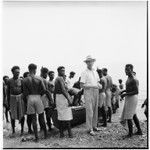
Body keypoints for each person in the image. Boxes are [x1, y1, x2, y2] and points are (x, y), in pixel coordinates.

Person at [23, 64, 47, 142]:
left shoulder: (25, 80)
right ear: (35, 70)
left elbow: (25, 93)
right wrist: (39, 94)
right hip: (38, 97)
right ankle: (46, 135)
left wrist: (26, 101)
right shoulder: (39, 78)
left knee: (33, 118)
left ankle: (36, 138)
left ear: (29, 69)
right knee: (41, 116)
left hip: (30, 97)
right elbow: (44, 90)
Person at [80, 55, 102, 136]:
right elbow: (82, 85)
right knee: (90, 111)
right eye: (88, 61)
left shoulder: (95, 72)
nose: (90, 63)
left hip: (96, 91)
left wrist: (100, 85)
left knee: (95, 109)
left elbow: (98, 82)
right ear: (86, 63)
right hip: (88, 92)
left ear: (93, 62)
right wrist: (93, 86)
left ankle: (94, 126)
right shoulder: (84, 72)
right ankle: (90, 129)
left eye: (91, 61)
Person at [120, 64, 142, 138]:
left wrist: (125, 94)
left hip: (132, 98)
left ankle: (130, 134)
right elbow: (130, 88)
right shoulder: (129, 77)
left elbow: (136, 91)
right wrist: (123, 91)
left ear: (132, 70)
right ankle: (139, 131)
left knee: (129, 116)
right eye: (125, 69)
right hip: (129, 97)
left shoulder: (133, 79)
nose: (126, 71)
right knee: (134, 115)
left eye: (128, 70)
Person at [54, 66, 73, 138]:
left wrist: (54, 100)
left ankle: (62, 134)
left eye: (64, 71)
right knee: (67, 116)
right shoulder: (60, 78)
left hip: (59, 98)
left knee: (61, 116)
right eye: (62, 71)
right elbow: (63, 90)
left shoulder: (57, 79)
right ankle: (70, 134)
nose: (63, 72)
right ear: (58, 71)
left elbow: (55, 91)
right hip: (62, 98)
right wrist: (69, 99)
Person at [7, 66, 25, 136]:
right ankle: (13, 131)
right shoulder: (9, 81)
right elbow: (8, 92)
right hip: (12, 99)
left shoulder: (21, 80)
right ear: (12, 72)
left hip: (20, 98)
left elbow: (23, 91)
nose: (18, 73)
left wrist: (24, 101)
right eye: (16, 72)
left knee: (22, 114)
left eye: (18, 72)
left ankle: (22, 130)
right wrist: (8, 103)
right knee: (12, 115)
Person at [40, 67, 54, 132]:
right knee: (47, 113)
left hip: (40, 97)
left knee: (41, 114)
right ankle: (49, 127)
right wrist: (51, 100)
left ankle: (42, 128)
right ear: (44, 73)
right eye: (46, 73)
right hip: (45, 97)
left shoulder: (38, 79)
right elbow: (47, 91)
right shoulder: (44, 80)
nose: (47, 75)